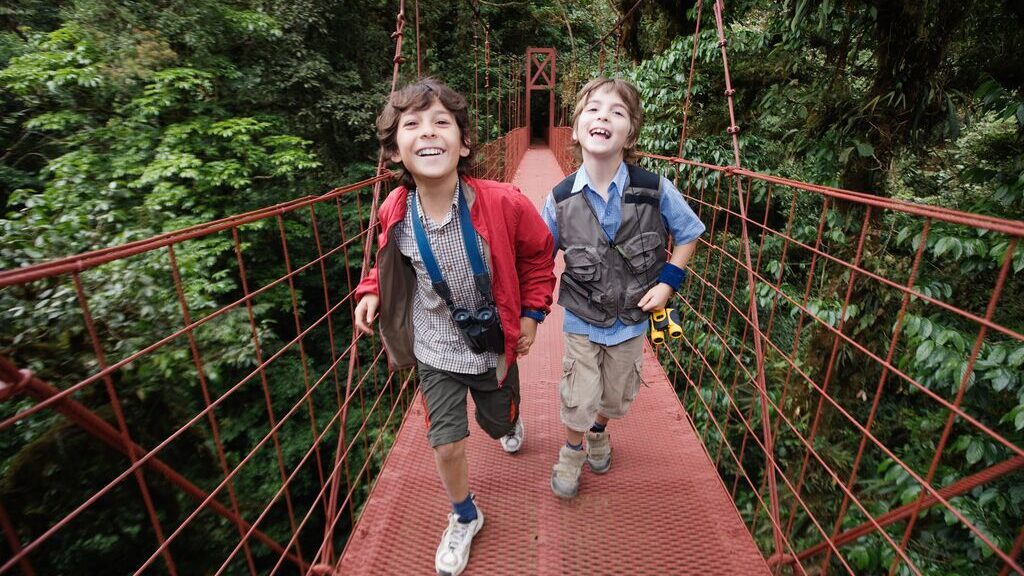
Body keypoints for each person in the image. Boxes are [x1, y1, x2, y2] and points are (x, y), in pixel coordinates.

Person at [353, 78, 555, 576]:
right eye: (412, 124)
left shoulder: (504, 202)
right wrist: (372, 289)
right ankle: (464, 514)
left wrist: (531, 313)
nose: (428, 132)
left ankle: (509, 416)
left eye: (442, 121)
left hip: (491, 345)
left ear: (463, 144)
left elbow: (539, 255)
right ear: (396, 151)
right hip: (434, 347)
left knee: (498, 424)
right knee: (445, 440)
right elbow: (392, 260)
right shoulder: (394, 211)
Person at [542, 77, 705, 499]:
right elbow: (538, 256)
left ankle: (600, 432)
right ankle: (573, 450)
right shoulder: (559, 199)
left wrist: (668, 285)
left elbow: (688, 233)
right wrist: (526, 310)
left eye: (617, 112)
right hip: (582, 314)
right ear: (575, 128)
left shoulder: (655, 190)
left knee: (615, 396)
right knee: (579, 394)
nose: (603, 117)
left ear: (630, 132)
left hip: (632, 319)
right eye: (593, 109)